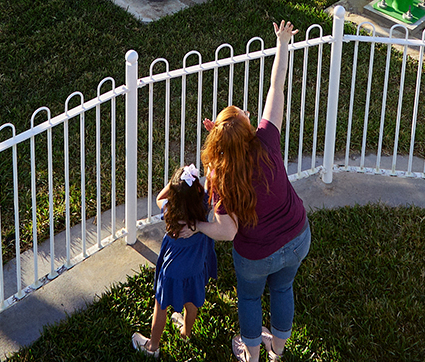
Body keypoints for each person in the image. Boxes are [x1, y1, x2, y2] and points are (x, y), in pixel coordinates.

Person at [194, 21, 310, 362]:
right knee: (283, 289)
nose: (247, 112)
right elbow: (277, 86)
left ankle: (253, 356)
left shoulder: (220, 176)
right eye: (244, 115)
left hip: (255, 256)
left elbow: (227, 232)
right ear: (248, 130)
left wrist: (199, 226)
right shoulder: (267, 140)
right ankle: (278, 351)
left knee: (249, 300)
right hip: (298, 236)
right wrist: (283, 42)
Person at [132, 165, 221, 358]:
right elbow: (211, 188)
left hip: (172, 270)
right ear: (197, 187)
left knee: (161, 306)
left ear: (174, 193)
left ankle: (152, 347)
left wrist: (172, 185)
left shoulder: (169, 209)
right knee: (191, 301)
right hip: (195, 267)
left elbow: (159, 198)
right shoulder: (204, 206)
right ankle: (186, 333)